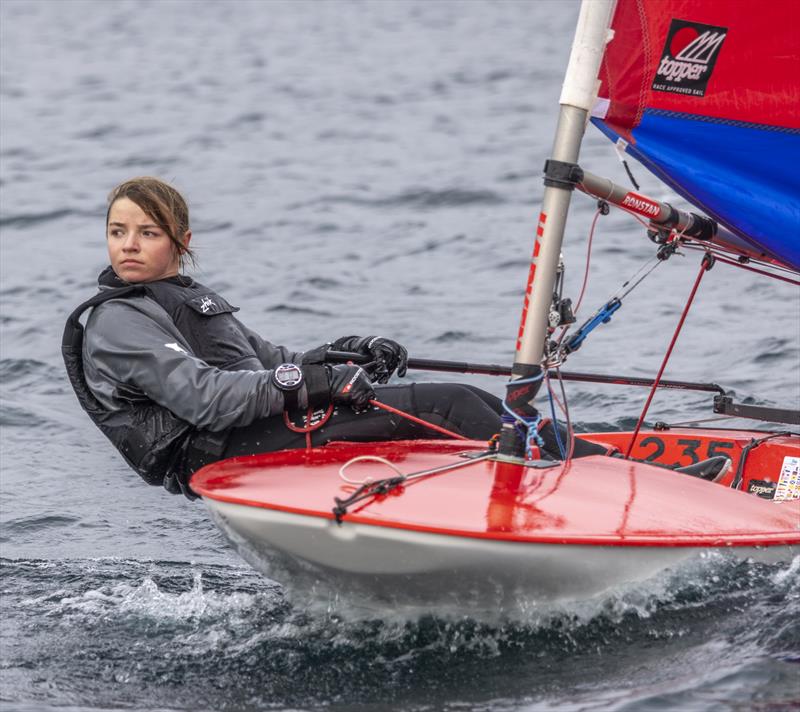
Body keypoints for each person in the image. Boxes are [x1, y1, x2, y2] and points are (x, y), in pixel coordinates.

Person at [63, 177, 505, 498]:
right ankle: (533, 487)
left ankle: (553, 451)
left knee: (471, 397)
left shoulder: (182, 299)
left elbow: (270, 361)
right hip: (218, 448)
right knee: (447, 406)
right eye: (117, 232)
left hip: (248, 428)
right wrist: (317, 381)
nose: (129, 245)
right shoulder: (118, 319)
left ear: (181, 242)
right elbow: (204, 399)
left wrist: (347, 356)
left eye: (148, 233)